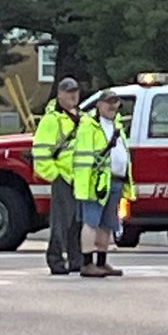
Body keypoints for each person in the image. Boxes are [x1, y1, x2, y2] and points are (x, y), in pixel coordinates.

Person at [72, 90, 132, 278]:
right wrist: (90, 178)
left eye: (115, 102)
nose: (112, 106)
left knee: (107, 224)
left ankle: (101, 261)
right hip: (95, 183)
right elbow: (84, 155)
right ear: (99, 104)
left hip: (114, 180)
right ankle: (88, 263)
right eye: (108, 102)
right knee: (91, 222)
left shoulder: (117, 126)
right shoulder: (89, 126)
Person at [31, 76, 84, 275]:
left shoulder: (82, 117)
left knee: (77, 222)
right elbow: (41, 151)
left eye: (75, 91)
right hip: (63, 177)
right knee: (61, 223)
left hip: (80, 178)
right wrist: (55, 175)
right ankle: (55, 259)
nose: (73, 95)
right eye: (69, 92)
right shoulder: (51, 120)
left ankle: (75, 259)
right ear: (59, 94)